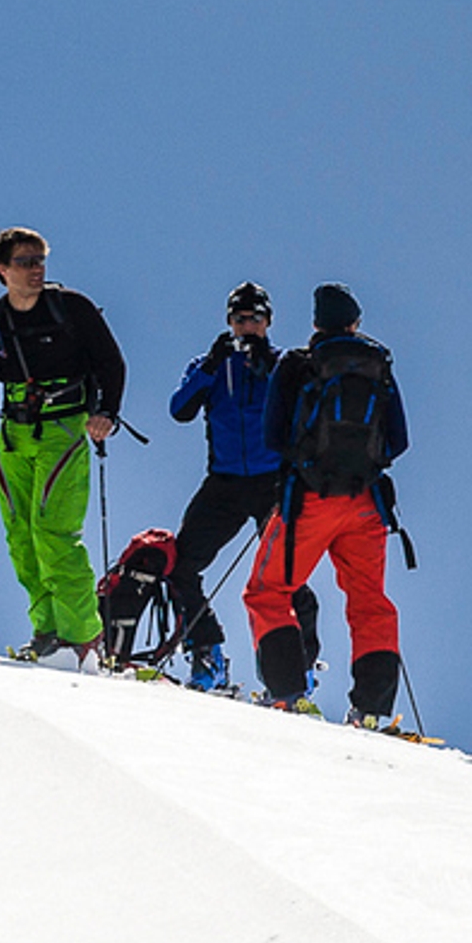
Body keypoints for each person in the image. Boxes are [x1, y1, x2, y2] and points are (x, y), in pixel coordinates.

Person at [0, 228, 124, 663]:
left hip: (64, 428)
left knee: (53, 533)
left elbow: (111, 362)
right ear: (3, 270)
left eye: (40, 260)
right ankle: (47, 631)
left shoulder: (72, 308)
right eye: (25, 262)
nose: (36, 269)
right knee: (21, 537)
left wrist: (107, 413)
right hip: (13, 437)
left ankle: (81, 637)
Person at [244, 282, 410, 727]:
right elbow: (399, 440)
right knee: (369, 601)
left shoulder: (298, 364)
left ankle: (287, 693)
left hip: (309, 500)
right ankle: (371, 710)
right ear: (355, 322)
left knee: (268, 591)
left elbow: (272, 435)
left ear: (317, 322)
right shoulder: (378, 363)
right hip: (366, 502)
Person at [158, 281, 289, 692]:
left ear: (268, 321)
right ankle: (207, 653)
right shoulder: (210, 364)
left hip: (273, 482)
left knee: (288, 576)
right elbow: (180, 410)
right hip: (225, 482)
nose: (247, 326)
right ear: (229, 322)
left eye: (255, 318)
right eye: (240, 319)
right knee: (180, 566)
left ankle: (294, 673)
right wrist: (212, 366)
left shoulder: (285, 364)